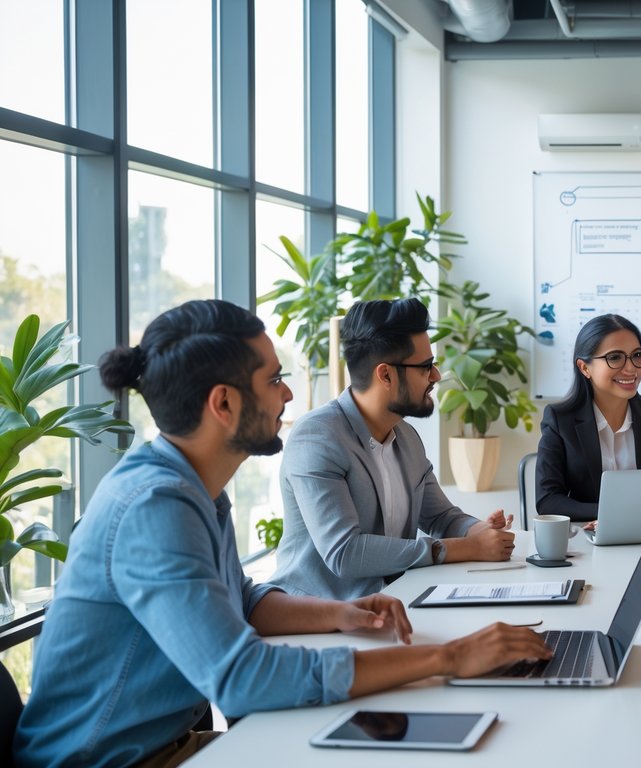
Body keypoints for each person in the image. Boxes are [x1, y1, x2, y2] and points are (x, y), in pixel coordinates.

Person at [13, 300, 549, 768]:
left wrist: (342, 614)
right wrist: (449, 658)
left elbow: (239, 600)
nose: (289, 393)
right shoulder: (156, 507)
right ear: (223, 404)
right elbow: (241, 677)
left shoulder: (193, 489)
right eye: (273, 379)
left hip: (162, 742)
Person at [269, 298, 514, 601]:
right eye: (426, 367)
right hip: (315, 622)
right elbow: (344, 552)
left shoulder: (407, 437)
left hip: (390, 607)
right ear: (385, 375)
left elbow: (441, 518)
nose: (436, 376)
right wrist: (465, 547)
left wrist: (477, 530)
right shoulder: (316, 437)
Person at [536, 314, 641, 523]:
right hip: (588, 539)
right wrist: (611, 513)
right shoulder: (560, 419)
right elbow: (548, 500)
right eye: (615, 357)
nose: (631, 368)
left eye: (637, 355)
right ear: (585, 368)